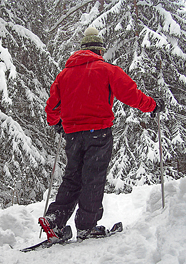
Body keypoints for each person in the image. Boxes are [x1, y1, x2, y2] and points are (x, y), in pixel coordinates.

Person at [40, 27, 164, 243]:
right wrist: (152, 106)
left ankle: (55, 220)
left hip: (72, 135)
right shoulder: (106, 69)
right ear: (99, 49)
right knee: (93, 178)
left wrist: (57, 123)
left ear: (82, 49)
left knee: (72, 177)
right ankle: (87, 226)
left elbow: (52, 107)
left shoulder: (64, 75)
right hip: (98, 132)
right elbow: (131, 94)